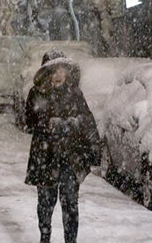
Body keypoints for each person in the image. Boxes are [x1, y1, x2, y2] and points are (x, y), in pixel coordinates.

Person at [25, 50, 100, 243]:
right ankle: (45, 236)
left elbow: (87, 120)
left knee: (70, 204)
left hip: (70, 157)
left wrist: (73, 126)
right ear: (46, 74)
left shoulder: (74, 93)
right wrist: (49, 123)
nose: (58, 75)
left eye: (62, 70)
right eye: (53, 71)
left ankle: (70, 240)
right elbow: (30, 122)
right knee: (46, 202)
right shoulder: (37, 93)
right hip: (45, 156)